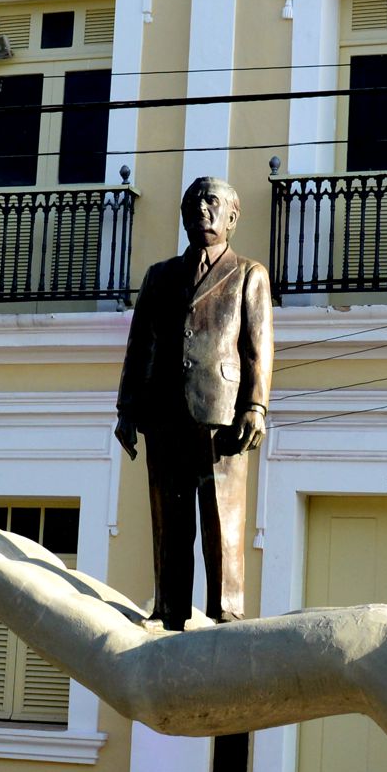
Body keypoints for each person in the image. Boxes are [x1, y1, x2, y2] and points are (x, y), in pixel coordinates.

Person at [115, 176, 273, 627]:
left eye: (213, 202)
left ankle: (226, 610)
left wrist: (256, 406)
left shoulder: (248, 274)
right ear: (184, 216)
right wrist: (127, 410)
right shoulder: (159, 276)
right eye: (195, 203)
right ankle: (168, 608)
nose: (204, 210)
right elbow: (139, 346)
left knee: (222, 517)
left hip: (222, 415)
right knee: (170, 518)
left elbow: (258, 348)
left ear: (232, 217)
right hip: (164, 413)